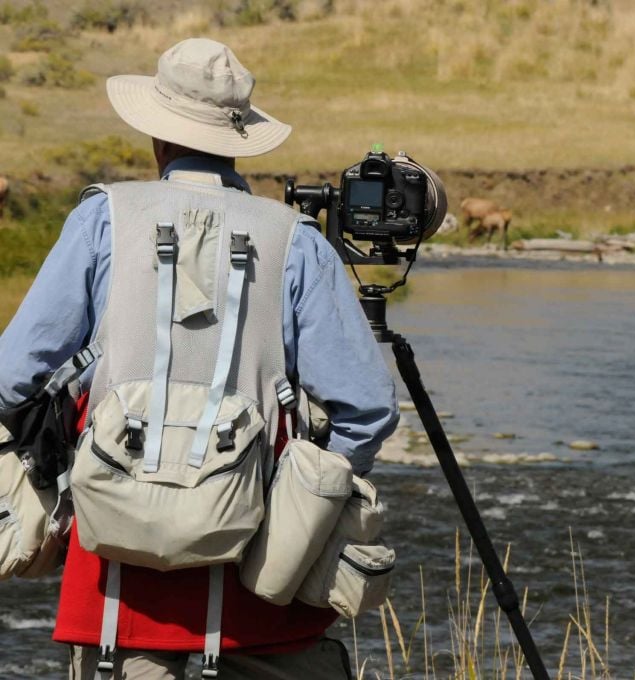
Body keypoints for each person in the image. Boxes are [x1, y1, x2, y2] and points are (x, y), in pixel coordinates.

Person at [0, 38, 399, 679]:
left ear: (156, 138)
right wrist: (306, 505)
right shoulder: (296, 242)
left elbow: (13, 375)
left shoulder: (102, 220)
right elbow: (368, 409)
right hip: (264, 599)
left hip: (115, 602)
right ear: (238, 139)